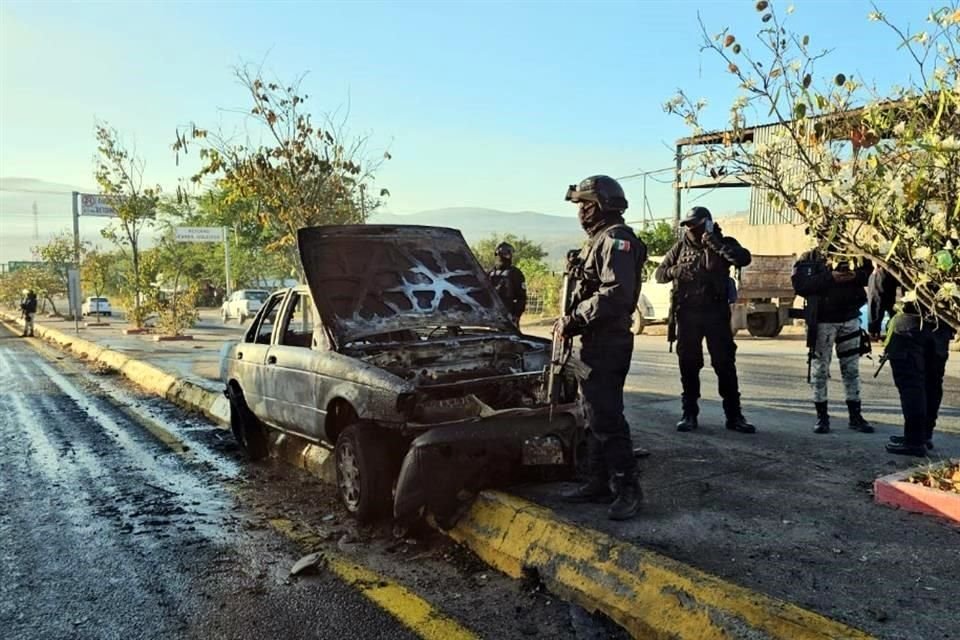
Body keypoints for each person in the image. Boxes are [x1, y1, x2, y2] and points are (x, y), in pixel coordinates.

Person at [557, 175, 647, 521]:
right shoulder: (598, 240)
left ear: (601, 205)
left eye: (585, 204)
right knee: (592, 413)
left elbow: (616, 294)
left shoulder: (616, 240)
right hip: (594, 340)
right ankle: (597, 482)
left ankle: (628, 488)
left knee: (607, 416)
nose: (580, 211)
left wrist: (575, 318)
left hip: (608, 341)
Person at [654, 206, 755, 433]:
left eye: (695, 225)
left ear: (707, 224)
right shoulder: (680, 247)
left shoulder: (724, 242)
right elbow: (659, 274)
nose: (690, 229)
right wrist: (674, 271)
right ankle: (689, 414)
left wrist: (716, 245)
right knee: (689, 364)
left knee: (724, 363)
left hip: (715, 313)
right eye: (688, 225)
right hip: (688, 314)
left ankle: (734, 416)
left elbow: (743, 258)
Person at [792, 247, 873, 434]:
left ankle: (855, 416)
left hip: (849, 318)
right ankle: (822, 418)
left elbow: (869, 275)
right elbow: (801, 285)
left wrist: (854, 275)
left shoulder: (854, 252)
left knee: (851, 370)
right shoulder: (809, 258)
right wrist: (830, 277)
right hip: (823, 322)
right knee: (820, 370)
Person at [872, 287, 956, 456]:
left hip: (908, 324)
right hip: (940, 325)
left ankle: (915, 440)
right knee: (932, 382)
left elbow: (880, 290)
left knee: (912, 384)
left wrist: (875, 322)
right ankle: (924, 435)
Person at [488, 242, 527, 324]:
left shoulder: (515, 273)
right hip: (491, 315)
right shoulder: (490, 273)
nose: (509, 256)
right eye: (507, 253)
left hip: (508, 315)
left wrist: (516, 315)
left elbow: (521, 297)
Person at [868, 266, 898, 340]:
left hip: (884, 272)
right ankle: (876, 332)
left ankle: (875, 332)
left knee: (877, 305)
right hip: (884, 272)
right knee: (878, 306)